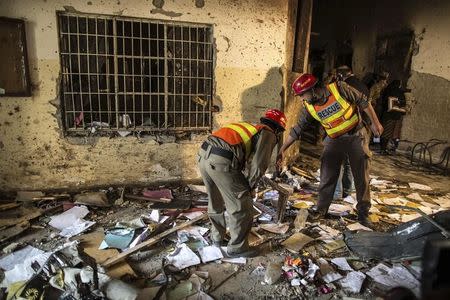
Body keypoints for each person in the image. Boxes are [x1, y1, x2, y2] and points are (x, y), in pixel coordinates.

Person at [277, 74, 383, 226]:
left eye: (302, 95)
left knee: (361, 175)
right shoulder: (309, 106)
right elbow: (297, 129)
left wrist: (375, 123)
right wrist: (282, 149)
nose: (302, 99)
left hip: (356, 134)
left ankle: (363, 213)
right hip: (334, 138)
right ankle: (321, 210)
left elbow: (364, 102)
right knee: (327, 175)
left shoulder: (339, 88)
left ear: (313, 90)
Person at [198, 109, 287, 257]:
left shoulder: (250, 127)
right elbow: (259, 165)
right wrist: (249, 187)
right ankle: (237, 248)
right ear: (278, 129)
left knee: (215, 200)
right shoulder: (269, 133)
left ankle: (217, 238)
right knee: (242, 206)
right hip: (221, 162)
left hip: (203, 155)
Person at [379, 80, 407, 154]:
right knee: (388, 133)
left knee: (385, 132)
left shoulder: (387, 91)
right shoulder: (397, 92)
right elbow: (396, 104)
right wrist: (402, 110)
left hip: (386, 115)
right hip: (393, 116)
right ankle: (384, 149)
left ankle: (383, 148)